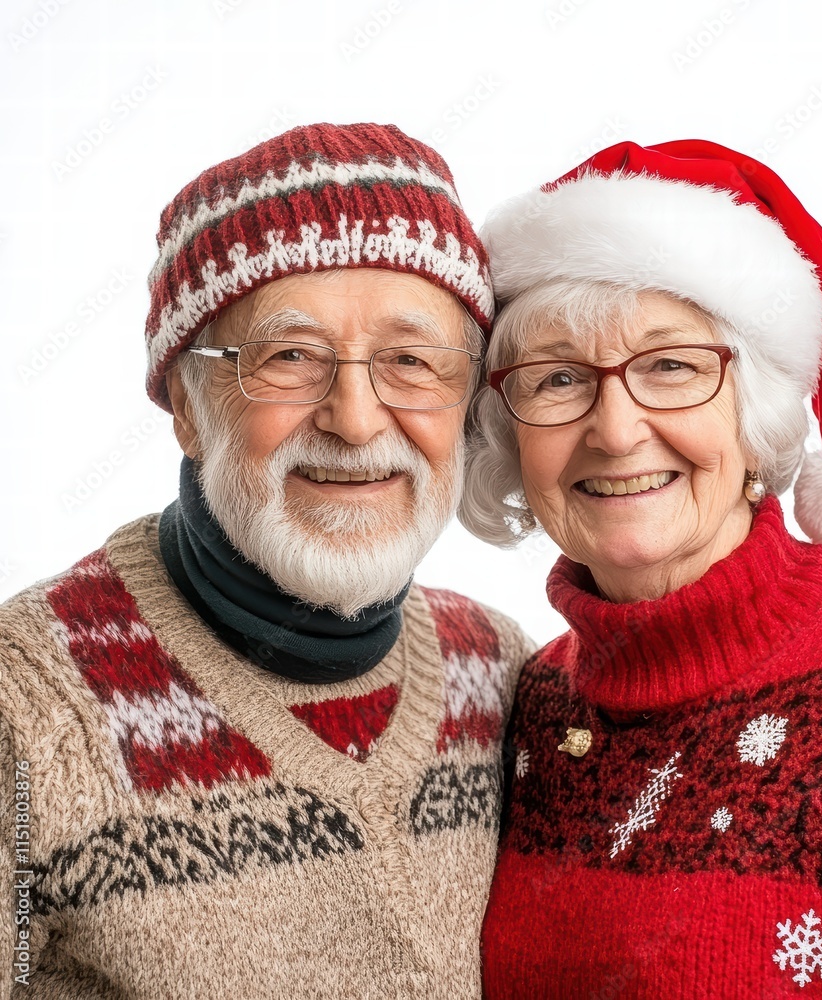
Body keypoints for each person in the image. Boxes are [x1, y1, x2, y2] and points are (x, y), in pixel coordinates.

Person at [0, 123, 533, 998]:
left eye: (411, 360)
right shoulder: (28, 706)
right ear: (185, 403)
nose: (357, 420)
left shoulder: (499, 672)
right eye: (290, 358)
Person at [462, 139, 822, 997]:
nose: (615, 430)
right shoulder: (533, 702)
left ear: (756, 411)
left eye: (671, 367)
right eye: (559, 378)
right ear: (508, 431)